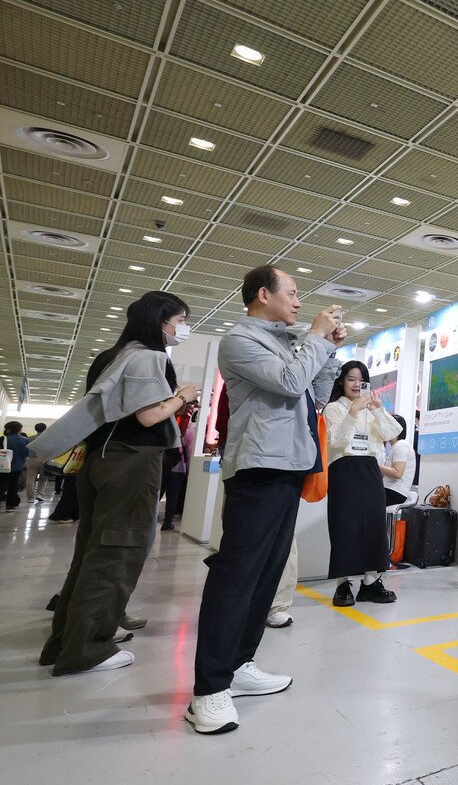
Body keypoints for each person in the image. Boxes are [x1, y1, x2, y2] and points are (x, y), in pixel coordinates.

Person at [188, 265, 344, 734]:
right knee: (237, 576)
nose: (298, 301)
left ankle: (238, 665)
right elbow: (290, 383)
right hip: (258, 467)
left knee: (267, 573)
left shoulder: (287, 342)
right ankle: (208, 690)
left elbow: (314, 395)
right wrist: (314, 337)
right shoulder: (239, 340)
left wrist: (328, 350)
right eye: (291, 293)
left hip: (290, 465)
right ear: (263, 294)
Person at [29, 291, 198, 674]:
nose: (182, 329)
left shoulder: (112, 356)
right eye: (180, 321)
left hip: (100, 461)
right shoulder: (150, 356)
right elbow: (149, 416)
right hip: (131, 463)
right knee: (117, 554)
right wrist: (182, 396)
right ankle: (87, 649)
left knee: (91, 555)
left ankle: (63, 643)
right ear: (160, 322)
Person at [323, 361, 400, 607]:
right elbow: (335, 441)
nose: (357, 384)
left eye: (361, 380)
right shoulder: (333, 408)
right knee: (344, 526)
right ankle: (342, 584)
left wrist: (378, 410)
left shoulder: (371, 409)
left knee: (374, 525)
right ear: (341, 382)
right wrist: (353, 411)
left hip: (370, 469)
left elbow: (392, 434)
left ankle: (371, 582)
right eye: (351, 379)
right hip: (343, 469)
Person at [160, 403, 198, 531]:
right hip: (178, 466)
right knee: (173, 496)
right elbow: (189, 450)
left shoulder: (166, 422)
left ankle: (149, 518)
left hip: (161, 464)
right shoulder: (189, 427)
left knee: (157, 493)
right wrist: (190, 471)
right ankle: (167, 522)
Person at [382, 414, 415, 508]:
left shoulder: (401, 446)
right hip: (391, 490)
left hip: (394, 492)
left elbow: (397, 473)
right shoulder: (396, 446)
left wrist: (375, 466)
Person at [3, 422, 29, 512]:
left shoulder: (3, 439)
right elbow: (27, 454)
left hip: (3, 466)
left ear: (8, 429)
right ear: (20, 430)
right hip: (17, 466)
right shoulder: (25, 440)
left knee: (2, 484)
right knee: (13, 485)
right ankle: (10, 506)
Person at [24, 423, 47, 502]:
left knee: (30, 478)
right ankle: (39, 494)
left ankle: (30, 498)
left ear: (35, 429)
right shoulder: (48, 438)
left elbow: (25, 449)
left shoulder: (29, 438)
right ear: (45, 429)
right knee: (43, 478)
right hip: (44, 459)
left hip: (31, 459)